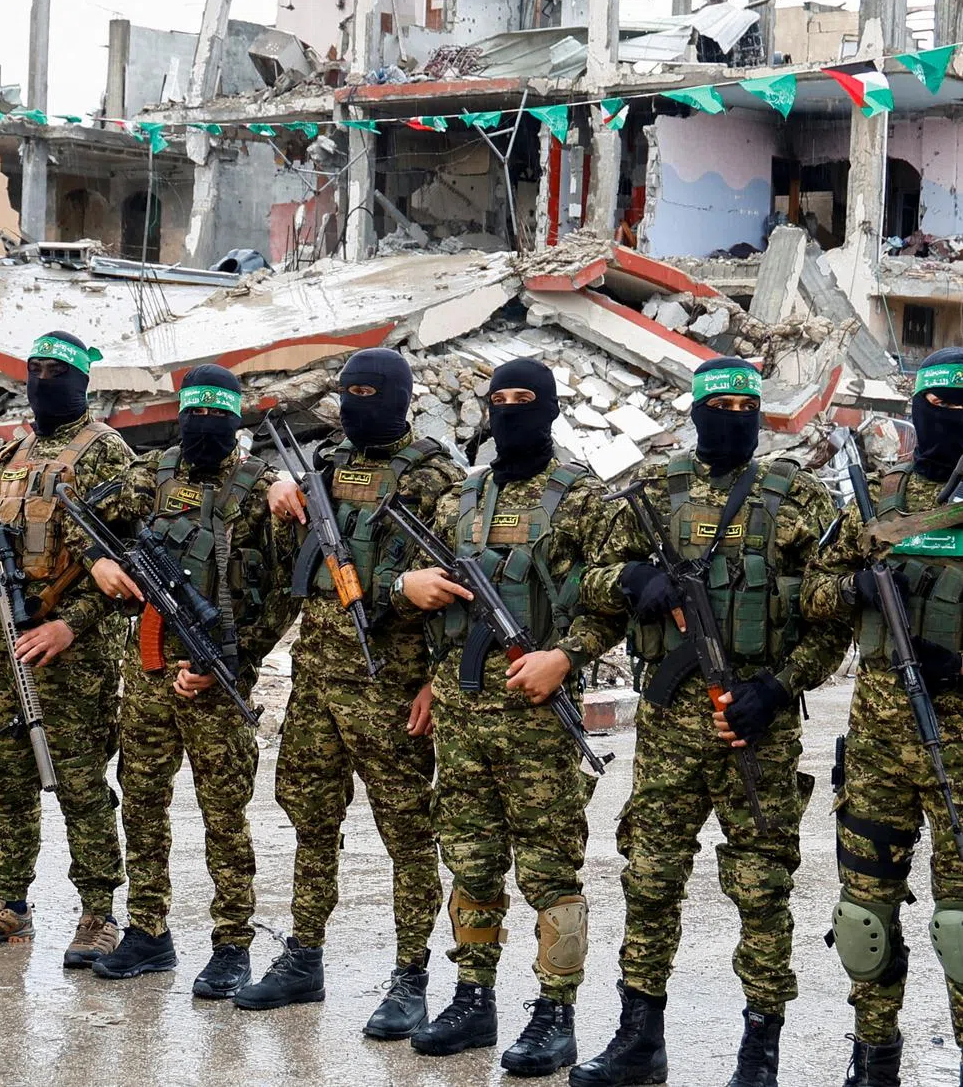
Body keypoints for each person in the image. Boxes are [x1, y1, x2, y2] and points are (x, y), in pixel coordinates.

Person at [572, 357, 848, 1087]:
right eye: (716, 404)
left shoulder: (802, 500)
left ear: (759, 414)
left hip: (755, 729)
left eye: (742, 405)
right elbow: (589, 583)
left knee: (762, 888)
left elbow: (834, 618)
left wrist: (780, 688)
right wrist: (633, 580)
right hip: (668, 728)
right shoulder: (654, 494)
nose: (729, 417)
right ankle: (639, 1039)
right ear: (694, 413)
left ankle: (760, 1051)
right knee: (651, 878)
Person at [393, 358, 620, 1077]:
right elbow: (409, 587)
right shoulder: (462, 497)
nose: (510, 410)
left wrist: (567, 656)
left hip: (535, 710)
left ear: (549, 407)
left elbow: (612, 597)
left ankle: (556, 1010)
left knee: (550, 864)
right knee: (469, 855)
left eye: (525, 399)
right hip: (460, 711)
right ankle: (473, 993)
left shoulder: (584, 496)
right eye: (499, 400)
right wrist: (410, 589)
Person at [238, 347, 463, 1040]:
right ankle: (304, 955)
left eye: (371, 391)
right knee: (310, 820)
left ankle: (411, 976)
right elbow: (283, 570)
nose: (358, 402)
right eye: (349, 391)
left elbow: (464, 594)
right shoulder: (328, 467)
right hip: (318, 682)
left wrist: (437, 680)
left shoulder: (435, 478)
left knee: (407, 834)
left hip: (392, 687)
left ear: (398, 396)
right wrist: (276, 498)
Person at [76, 365, 295, 995]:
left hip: (216, 671)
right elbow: (80, 514)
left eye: (214, 415)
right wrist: (99, 562)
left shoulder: (258, 487)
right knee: (142, 802)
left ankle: (232, 943)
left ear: (235, 419)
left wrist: (237, 661)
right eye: (191, 412)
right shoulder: (152, 474)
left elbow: (283, 594)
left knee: (223, 812)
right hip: (146, 670)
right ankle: (149, 931)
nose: (201, 426)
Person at [0, 331, 131, 968]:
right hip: (3, 644)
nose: (43, 382)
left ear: (80, 383)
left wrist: (69, 625)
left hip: (71, 653)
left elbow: (127, 562)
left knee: (80, 784)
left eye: (57, 373)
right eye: (35, 371)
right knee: (8, 780)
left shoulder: (106, 453)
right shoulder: (17, 451)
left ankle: (99, 913)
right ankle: (10, 904)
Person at [802, 347, 963, 1087]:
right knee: (864, 920)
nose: (950, 418)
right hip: (875, 749)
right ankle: (874, 1057)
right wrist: (859, 590)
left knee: (961, 928)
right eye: (939, 403)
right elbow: (815, 592)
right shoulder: (882, 498)